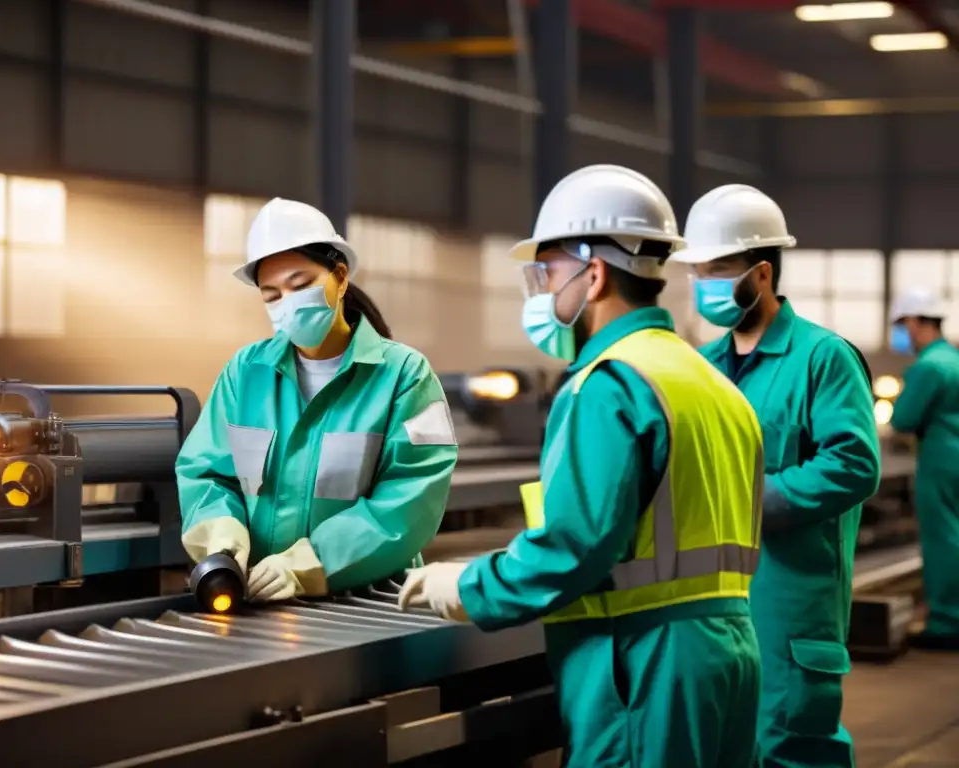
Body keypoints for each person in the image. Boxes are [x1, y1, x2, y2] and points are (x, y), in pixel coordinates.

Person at [399, 165, 765, 767]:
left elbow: (575, 546)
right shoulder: (711, 381)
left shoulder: (609, 383)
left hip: (643, 663)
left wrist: (468, 587)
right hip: (728, 651)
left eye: (548, 272)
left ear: (593, 274)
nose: (543, 292)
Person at [670, 184, 881, 768]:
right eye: (697, 271)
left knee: (792, 748)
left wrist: (747, 503)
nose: (703, 283)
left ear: (761, 273)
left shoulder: (823, 358)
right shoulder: (701, 367)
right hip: (713, 603)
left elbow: (853, 463)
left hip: (791, 604)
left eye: (718, 269)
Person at [177, 198, 458, 602]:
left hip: (370, 598)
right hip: (263, 596)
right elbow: (206, 472)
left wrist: (310, 564)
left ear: (340, 278)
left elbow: (412, 497)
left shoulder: (405, 375)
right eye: (272, 295)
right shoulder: (245, 373)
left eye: (300, 284)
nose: (287, 303)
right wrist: (222, 536)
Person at [888, 289, 959, 648]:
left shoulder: (928, 367)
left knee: (942, 538)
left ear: (916, 322)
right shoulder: (954, 360)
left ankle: (947, 622)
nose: (901, 333)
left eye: (902, 324)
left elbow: (903, 418)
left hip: (940, 463)